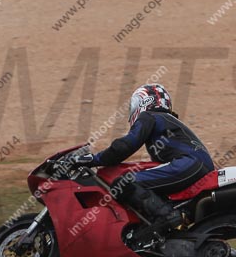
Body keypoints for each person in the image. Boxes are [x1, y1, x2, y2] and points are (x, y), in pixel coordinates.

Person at [77, 83, 215, 236]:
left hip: (188, 164)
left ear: (144, 102)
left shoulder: (149, 116)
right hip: (200, 167)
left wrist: (94, 159)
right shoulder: (169, 122)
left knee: (125, 182)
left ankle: (167, 219)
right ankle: (171, 231)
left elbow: (125, 146)